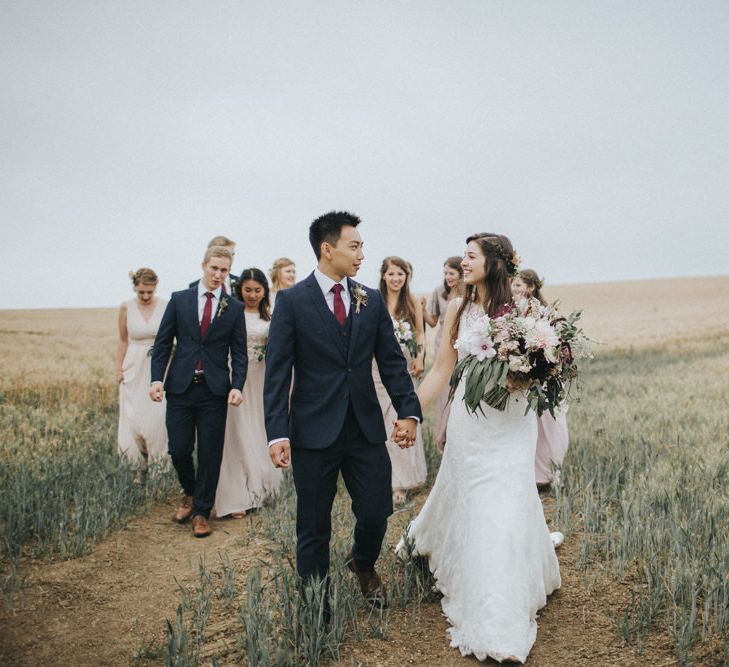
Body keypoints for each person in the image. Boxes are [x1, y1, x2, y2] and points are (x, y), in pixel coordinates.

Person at [399, 234, 560, 663]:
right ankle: (471, 579)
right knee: (476, 501)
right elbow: (440, 371)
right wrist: (408, 412)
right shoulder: (458, 309)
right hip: (471, 425)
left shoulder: (526, 312)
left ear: (493, 263)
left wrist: (528, 369)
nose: (463, 262)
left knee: (505, 502)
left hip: (512, 425)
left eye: (471, 256)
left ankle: (499, 614)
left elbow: (548, 368)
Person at [264, 211, 421, 607]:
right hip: (312, 431)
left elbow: (391, 362)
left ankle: (363, 563)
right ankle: (316, 605)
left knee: (376, 511)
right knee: (313, 525)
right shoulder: (292, 301)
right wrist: (278, 432)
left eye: (363, 246)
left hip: (365, 426)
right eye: (355, 246)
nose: (362, 254)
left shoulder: (368, 299)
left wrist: (408, 412)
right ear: (327, 248)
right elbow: (278, 373)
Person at [151, 246, 247, 538]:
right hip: (180, 387)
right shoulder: (179, 300)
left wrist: (237, 386)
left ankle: (202, 512)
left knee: (210, 453)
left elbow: (239, 353)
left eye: (224, 270)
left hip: (214, 390)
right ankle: (191, 492)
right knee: (178, 449)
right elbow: (163, 344)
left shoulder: (234, 307)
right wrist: (156, 380)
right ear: (203, 265)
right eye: (214, 268)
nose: (218, 275)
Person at [215, 268, 282, 518]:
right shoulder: (231, 312)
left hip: (263, 378)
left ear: (265, 291)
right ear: (239, 290)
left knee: (259, 430)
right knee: (237, 434)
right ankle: (237, 496)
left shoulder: (271, 316)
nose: (252, 295)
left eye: (257, 290)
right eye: (247, 290)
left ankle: (261, 488)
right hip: (236, 379)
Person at [375, 256, 427, 507]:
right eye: (391, 274)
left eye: (400, 274)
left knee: (401, 418)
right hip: (375, 369)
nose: (396, 279)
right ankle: (383, 477)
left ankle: (400, 483)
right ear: (383, 276)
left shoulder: (413, 302)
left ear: (407, 277)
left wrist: (420, 357)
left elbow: (420, 334)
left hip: (404, 368)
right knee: (382, 423)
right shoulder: (374, 301)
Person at [511, 269, 569, 490]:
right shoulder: (513, 313)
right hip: (525, 377)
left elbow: (558, 344)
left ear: (531, 287)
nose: (514, 289)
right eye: (513, 285)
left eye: (518, 285)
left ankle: (554, 470)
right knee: (529, 425)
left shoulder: (546, 313)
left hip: (546, 376)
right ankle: (536, 476)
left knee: (551, 423)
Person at [116, 268, 168, 478]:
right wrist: (118, 368)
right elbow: (122, 339)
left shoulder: (166, 306)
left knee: (158, 416)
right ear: (135, 289)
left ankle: (160, 468)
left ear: (156, 287)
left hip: (160, 365)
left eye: (149, 292)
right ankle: (136, 467)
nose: (146, 296)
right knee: (132, 415)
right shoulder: (126, 307)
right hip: (134, 366)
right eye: (141, 292)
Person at [421, 256, 464, 453]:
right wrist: (421, 309)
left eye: (451, 273)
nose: (447, 277)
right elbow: (432, 321)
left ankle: (457, 437)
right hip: (443, 342)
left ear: (460, 273)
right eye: (445, 273)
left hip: (462, 342)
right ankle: (442, 439)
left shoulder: (467, 292)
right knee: (445, 392)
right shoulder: (439, 292)